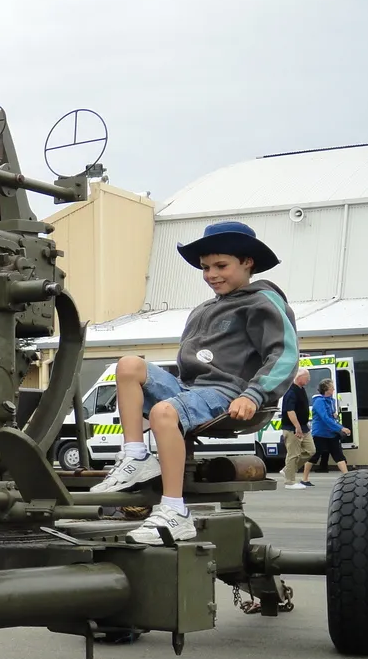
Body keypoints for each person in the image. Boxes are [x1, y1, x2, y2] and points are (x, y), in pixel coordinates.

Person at [90, 221, 298, 544]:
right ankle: (136, 456)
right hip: (189, 390)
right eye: (205, 268)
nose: (211, 274)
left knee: (163, 412)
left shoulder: (261, 302)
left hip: (227, 392)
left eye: (221, 266)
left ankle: (174, 510)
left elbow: (284, 355)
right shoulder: (203, 310)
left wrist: (254, 395)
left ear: (248, 263)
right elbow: (187, 372)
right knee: (128, 365)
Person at [279, 369, 315, 489]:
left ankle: (288, 469)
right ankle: (289, 482)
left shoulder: (301, 389)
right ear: (299, 377)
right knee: (293, 454)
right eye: (307, 377)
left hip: (304, 427)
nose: (308, 379)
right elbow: (290, 410)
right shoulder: (291, 391)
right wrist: (297, 426)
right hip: (292, 427)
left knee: (311, 450)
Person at [307, 379, 351, 476]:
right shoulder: (319, 401)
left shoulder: (331, 401)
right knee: (315, 456)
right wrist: (341, 428)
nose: (334, 389)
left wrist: (334, 415)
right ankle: (304, 478)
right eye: (332, 387)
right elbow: (325, 418)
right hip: (320, 433)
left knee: (338, 455)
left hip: (331, 433)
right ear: (326, 389)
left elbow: (330, 416)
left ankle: (346, 476)